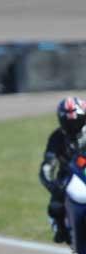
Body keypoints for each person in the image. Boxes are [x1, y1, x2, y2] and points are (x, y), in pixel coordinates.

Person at [39, 97, 86, 244]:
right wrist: (52, 185)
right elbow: (48, 164)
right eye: (68, 122)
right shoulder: (57, 137)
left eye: (77, 121)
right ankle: (62, 230)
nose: (73, 126)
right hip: (67, 177)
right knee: (55, 207)